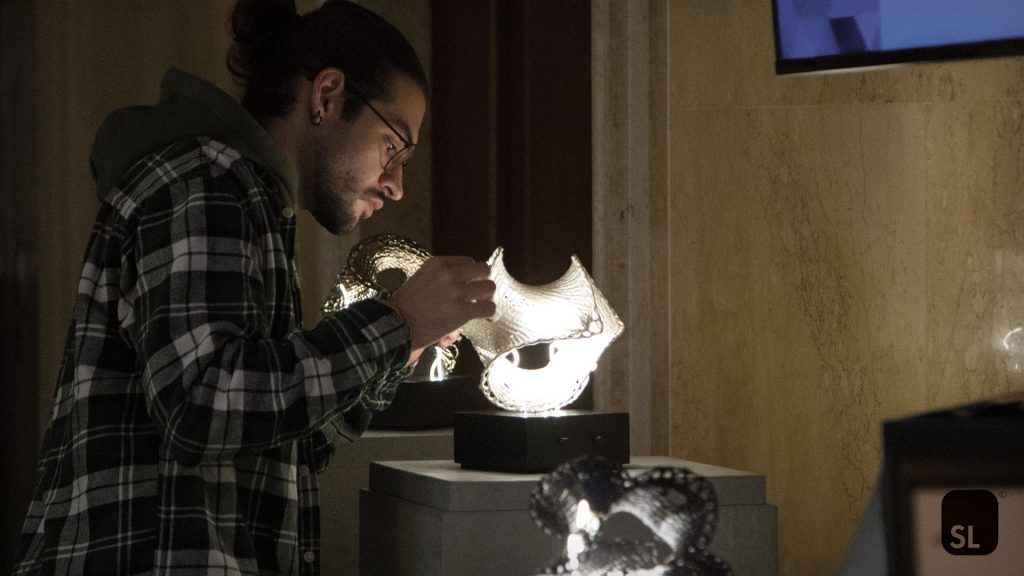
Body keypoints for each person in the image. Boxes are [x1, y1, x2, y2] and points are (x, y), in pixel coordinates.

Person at [13, 1, 495, 574]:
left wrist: (401, 349)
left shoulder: (250, 202)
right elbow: (201, 405)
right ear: (326, 96)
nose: (396, 186)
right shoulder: (206, 182)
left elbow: (282, 442)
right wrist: (398, 322)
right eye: (393, 146)